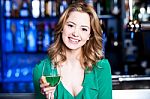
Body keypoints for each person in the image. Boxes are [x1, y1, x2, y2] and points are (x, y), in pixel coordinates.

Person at [33, 1, 112, 99]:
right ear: (62, 27)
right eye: (70, 25)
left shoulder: (101, 68)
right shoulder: (42, 69)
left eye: (83, 29)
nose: (75, 33)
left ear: (89, 35)